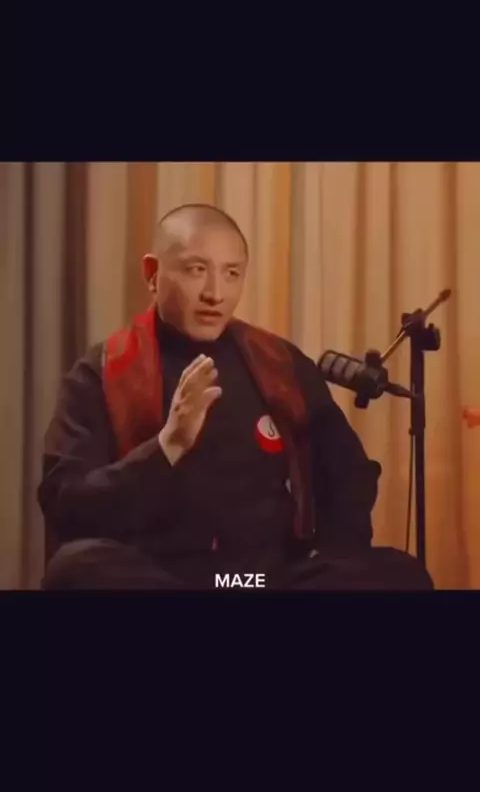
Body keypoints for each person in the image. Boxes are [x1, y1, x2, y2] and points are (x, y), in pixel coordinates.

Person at [39, 203, 434, 591]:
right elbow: (67, 504)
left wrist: (331, 553)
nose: (215, 293)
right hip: (164, 577)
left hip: (266, 579)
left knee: (400, 574)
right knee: (76, 568)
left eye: (231, 274)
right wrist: (167, 445)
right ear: (152, 274)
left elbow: (349, 471)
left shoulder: (279, 362)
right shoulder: (103, 372)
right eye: (196, 270)